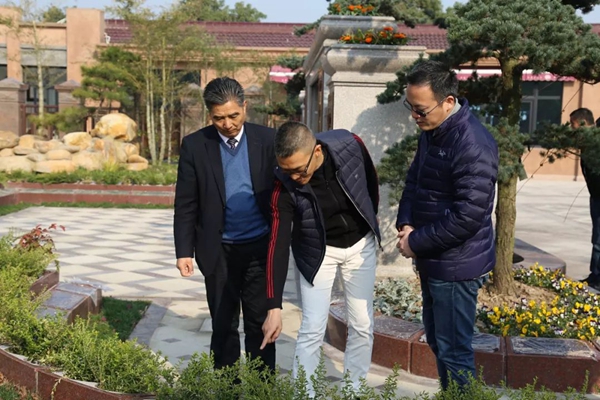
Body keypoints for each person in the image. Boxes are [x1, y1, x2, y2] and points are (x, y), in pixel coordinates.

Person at [396, 60, 499, 390]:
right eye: (411, 108)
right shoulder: (433, 131)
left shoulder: (472, 144)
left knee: (454, 351)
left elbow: (467, 216)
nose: (415, 116)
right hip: (434, 257)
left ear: (448, 101)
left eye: (421, 110)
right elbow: (415, 181)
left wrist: (415, 242)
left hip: (456, 265)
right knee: (439, 343)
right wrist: (406, 224)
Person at [261, 122, 381, 395]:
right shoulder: (283, 182)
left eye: (299, 170)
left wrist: (369, 223)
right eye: (286, 170)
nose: (293, 177)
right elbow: (278, 243)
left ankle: (353, 391)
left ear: (316, 152)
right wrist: (273, 306)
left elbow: (370, 185)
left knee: (362, 324)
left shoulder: (350, 145)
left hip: (360, 244)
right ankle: (305, 394)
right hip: (317, 252)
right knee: (312, 327)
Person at [173, 77, 276, 371]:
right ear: (210, 114)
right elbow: (186, 203)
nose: (228, 124)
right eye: (219, 118)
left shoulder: (268, 140)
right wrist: (184, 251)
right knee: (223, 323)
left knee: (259, 323)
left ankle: (260, 387)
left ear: (245, 106)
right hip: (218, 249)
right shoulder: (196, 145)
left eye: (233, 115)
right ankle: (226, 387)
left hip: (259, 248)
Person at [570, 108, 600, 290]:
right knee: (597, 238)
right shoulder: (587, 142)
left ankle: (597, 278)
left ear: (582, 123)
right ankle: (595, 274)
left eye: (573, 125)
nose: (571, 129)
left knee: (598, 240)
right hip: (595, 196)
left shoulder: (595, 142)